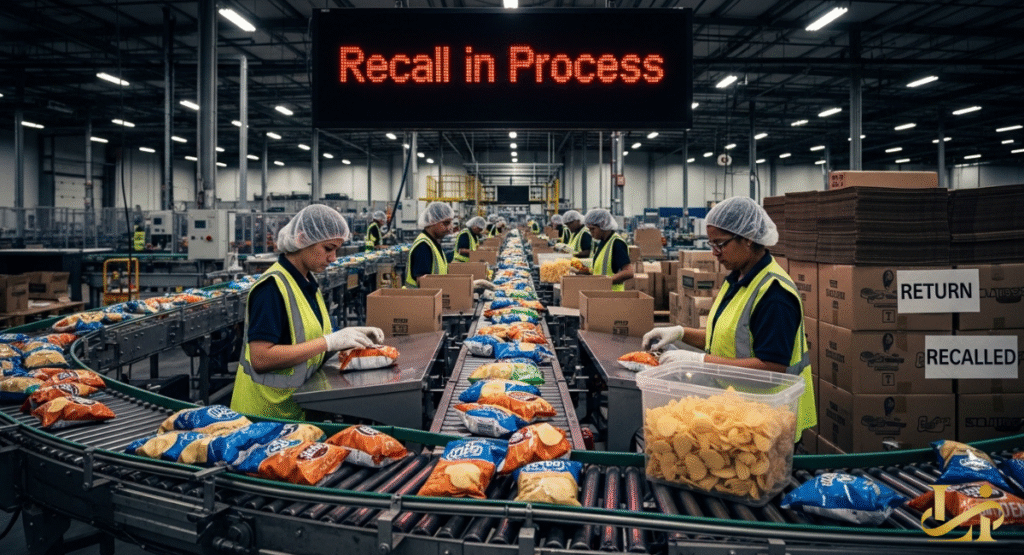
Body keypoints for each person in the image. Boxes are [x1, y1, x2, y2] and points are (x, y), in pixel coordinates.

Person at [641, 196, 815, 439]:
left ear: (748, 238)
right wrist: (680, 333)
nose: (714, 253)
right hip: (736, 414)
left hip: (766, 423)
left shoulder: (774, 295)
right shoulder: (739, 279)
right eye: (711, 244)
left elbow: (772, 369)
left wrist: (699, 362)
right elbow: (725, 340)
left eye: (720, 244)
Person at [231, 204, 384, 420]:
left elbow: (307, 340)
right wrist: (329, 342)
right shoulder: (272, 288)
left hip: (294, 409)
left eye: (336, 250)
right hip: (264, 419)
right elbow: (261, 358)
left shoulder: (306, 282)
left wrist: (348, 338)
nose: (333, 258)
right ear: (302, 239)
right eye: (328, 248)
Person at [577, 209, 633, 290]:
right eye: (589, 229)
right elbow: (599, 270)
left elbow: (629, 272)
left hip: (612, 296)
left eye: (593, 229)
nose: (591, 233)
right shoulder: (603, 242)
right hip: (602, 293)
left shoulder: (616, 243)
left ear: (603, 225)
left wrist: (605, 281)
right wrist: (579, 271)